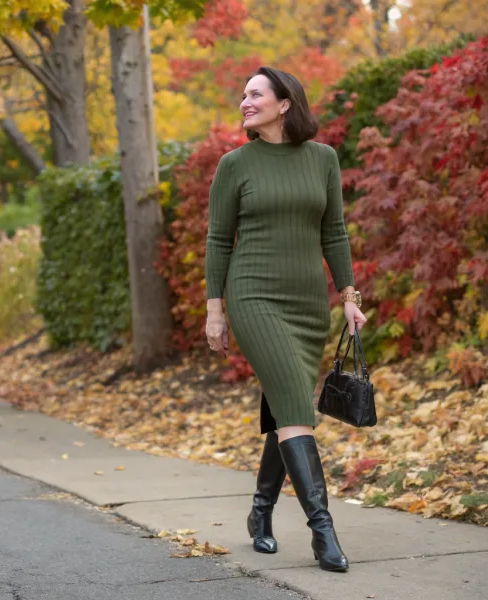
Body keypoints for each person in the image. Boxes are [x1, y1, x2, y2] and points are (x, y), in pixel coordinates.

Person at [204, 66, 367, 573]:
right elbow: (217, 240)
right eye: (243, 95)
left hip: (305, 304)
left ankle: (260, 513)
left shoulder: (323, 159)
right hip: (252, 296)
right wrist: (216, 310)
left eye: (255, 94)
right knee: (297, 406)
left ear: (284, 103)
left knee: (285, 405)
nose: (244, 102)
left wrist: (348, 295)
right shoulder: (235, 165)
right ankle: (323, 533)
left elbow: (334, 232)